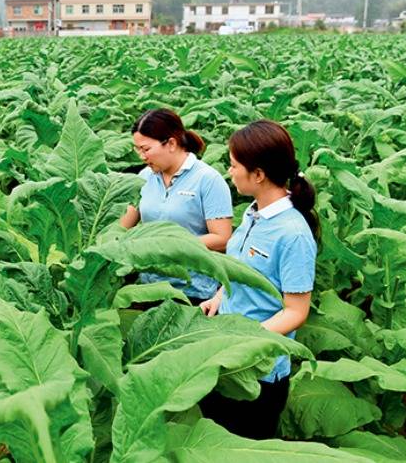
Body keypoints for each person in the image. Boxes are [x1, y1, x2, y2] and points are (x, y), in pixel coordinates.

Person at [199, 119, 319, 440]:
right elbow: (240, 267)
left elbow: (296, 311)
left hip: (258, 371)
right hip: (225, 354)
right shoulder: (252, 213)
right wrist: (219, 296)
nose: (229, 171)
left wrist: (245, 337)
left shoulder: (293, 233)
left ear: (259, 174)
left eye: (234, 164)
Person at [120, 109, 233, 304]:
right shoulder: (144, 177)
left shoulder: (208, 179)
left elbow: (222, 238)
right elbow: (122, 226)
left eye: (146, 149)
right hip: (148, 286)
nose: (141, 156)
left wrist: (169, 246)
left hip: (193, 291)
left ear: (171, 143)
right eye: (137, 149)